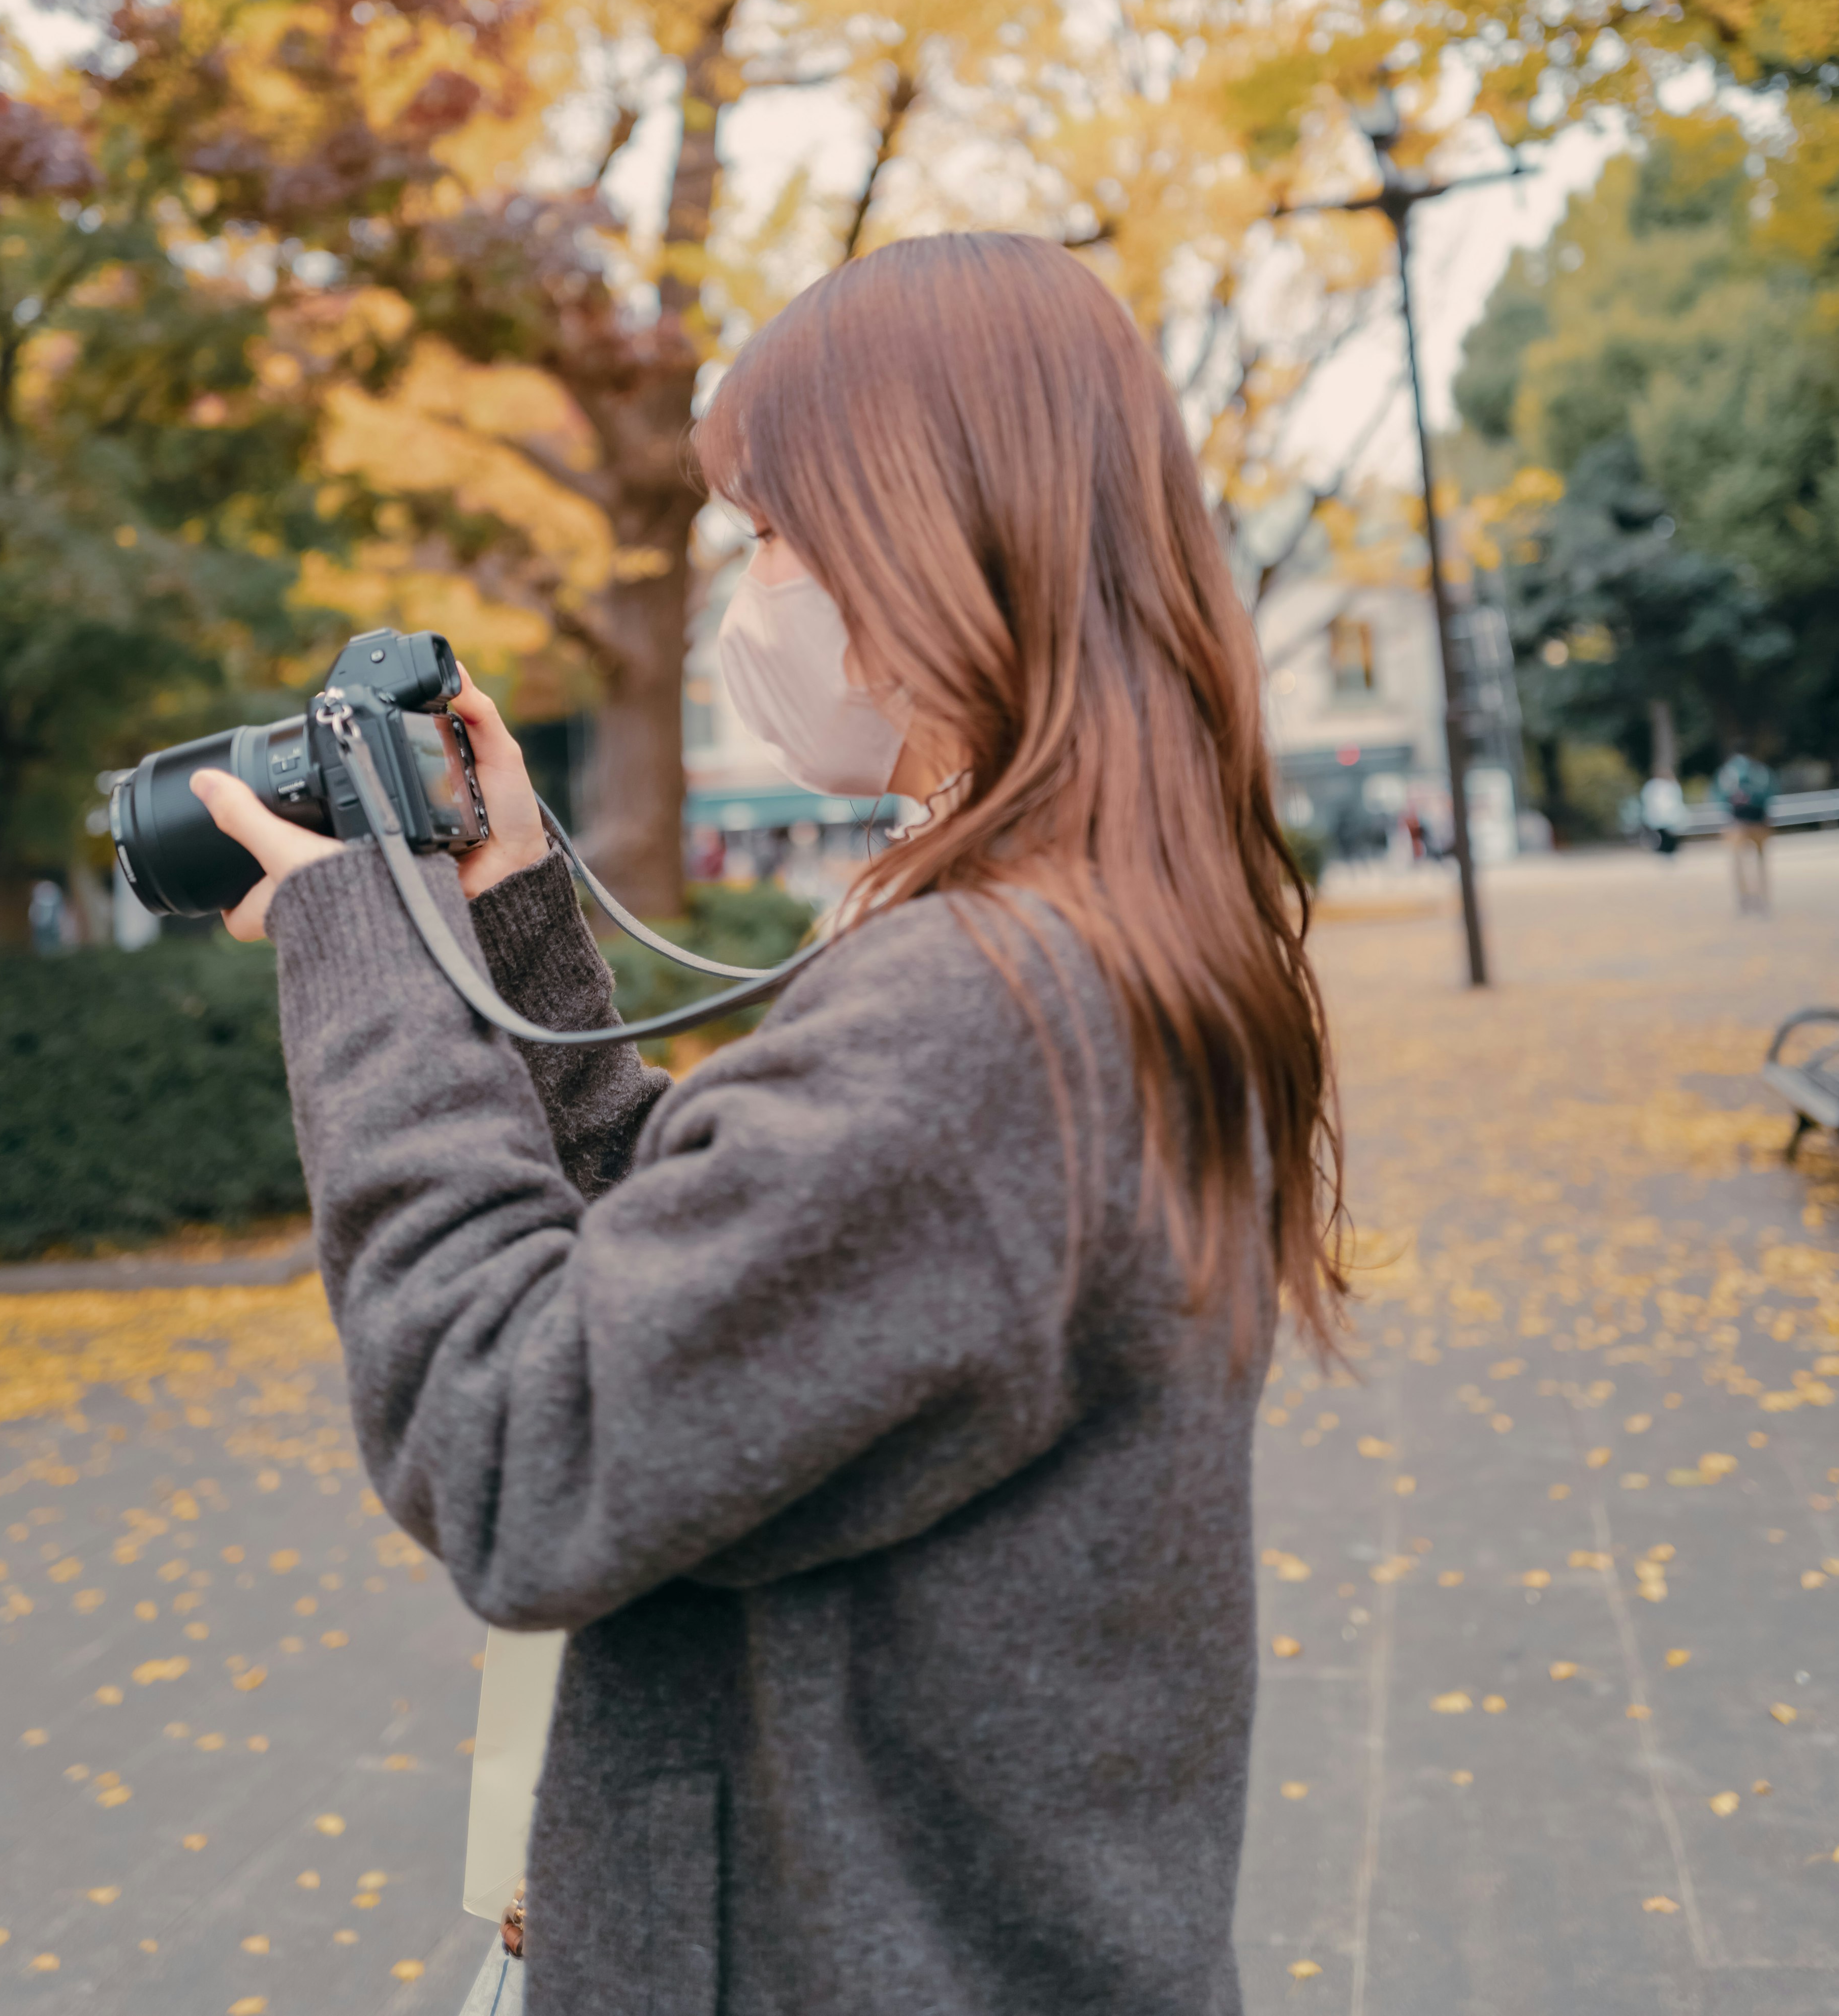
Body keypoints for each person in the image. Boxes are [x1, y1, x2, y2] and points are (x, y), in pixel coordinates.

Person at [191, 232, 1345, 2016]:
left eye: (771, 538)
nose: (755, 594)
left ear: (927, 532)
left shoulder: (991, 1007)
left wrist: (366, 956)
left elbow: (520, 1447)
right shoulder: (1085, 937)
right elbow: (763, 1289)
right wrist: (509, 924)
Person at [1714, 746, 1774, 912]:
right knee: (1760, 862)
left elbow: (1720, 797)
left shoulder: (1728, 771)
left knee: (1738, 862)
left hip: (1738, 821)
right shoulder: (1760, 770)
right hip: (1757, 819)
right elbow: (1770, 794)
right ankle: (1762, 897)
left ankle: (1745, 899)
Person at [1638, 770, 1686, 857]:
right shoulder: (1661, 786)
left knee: (1668, 837)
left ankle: (1668, 852)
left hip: (1666, 817)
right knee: (1665, 837)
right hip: (1664, 817)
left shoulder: (1659, 786)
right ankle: (1666, 852)